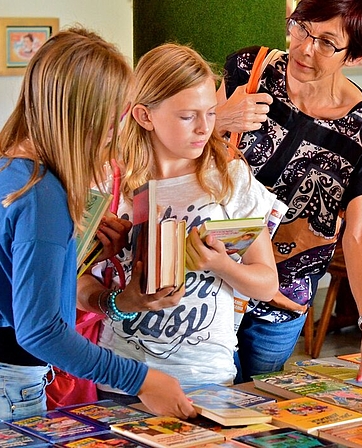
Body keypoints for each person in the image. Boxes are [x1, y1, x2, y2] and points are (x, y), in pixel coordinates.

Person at [216, 0, 362, 383]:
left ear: (355, 55)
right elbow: (187, 153)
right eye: (302, 28)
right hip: (214, 281)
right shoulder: (249, 71)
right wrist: (220, 119)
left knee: (257, 410)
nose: (306, 48)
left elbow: (361, 233)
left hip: (284, 298)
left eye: (327, 42)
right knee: (203, 406)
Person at [0, 27, 195, 420]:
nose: (113, 133)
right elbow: (40, 330)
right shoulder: (42, 193)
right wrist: (142, 380)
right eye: (111, 119)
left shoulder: (9, 167)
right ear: (83, 116)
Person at [77, 43, 279, 403]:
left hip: (206, 379)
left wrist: (219, 264)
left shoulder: (229, 179)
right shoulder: (108, 183)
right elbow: (74, 286)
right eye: (188, 116)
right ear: (144, 116)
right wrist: (118, 297)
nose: (204, 129)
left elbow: (266, 284)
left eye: (212, 114)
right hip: (121, 377)